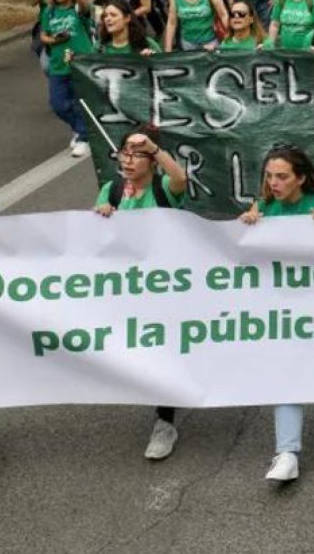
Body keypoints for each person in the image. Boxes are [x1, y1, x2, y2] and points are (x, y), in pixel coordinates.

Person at [239, 144, 314, 483]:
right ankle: (287, 453)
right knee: (286, 370)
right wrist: (246, 225)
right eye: (270, 176)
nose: (274, 183)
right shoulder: (263, 208)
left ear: (300, 178)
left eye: (282, 176)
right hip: (282, 304)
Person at [93, 126, 191, 462]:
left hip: (167, 285)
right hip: (129, 286)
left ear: (152, 160)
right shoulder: (113, 188)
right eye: (125, 152)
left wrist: (156, 149)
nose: (129, 159)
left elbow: (180, 180)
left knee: (164, 348)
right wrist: (104, 214)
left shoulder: (164, 187)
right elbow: (97, 237)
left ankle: (165, 422)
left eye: (138, 154)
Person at [38, 0, 95, 157]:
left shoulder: (77, 9)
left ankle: (84, 138)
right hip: (58, 65)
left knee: (81, 102)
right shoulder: (50, 11)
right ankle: (79, 128)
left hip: (79, 63)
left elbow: (86, 8)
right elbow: (43, 35)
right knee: (58, 104)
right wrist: (55, 39)